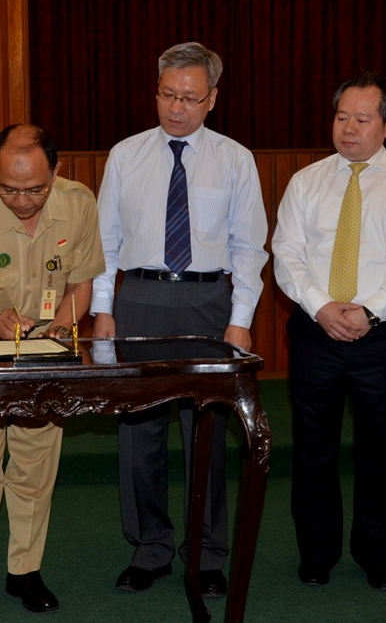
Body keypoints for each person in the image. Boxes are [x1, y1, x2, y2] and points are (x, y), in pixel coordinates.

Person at [90, 42, 268, 597]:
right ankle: (150, 547)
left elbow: (249, 247)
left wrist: (240, 319)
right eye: (168, 94)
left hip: (207, 303)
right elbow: (105, 243)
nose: (176, 107)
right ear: (157, 91)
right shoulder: (125, 155)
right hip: (139, 299)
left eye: (190, 97)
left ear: (212, 99)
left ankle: (208, 551)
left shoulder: (235, 159)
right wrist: (102, 309)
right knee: (139, 433)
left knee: (207, 433)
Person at [272, 72, 386, 591]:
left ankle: (379, 554)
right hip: (314, 331)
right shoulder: (307, 180)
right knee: (312, 447)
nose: (348, 128)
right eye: (341, 116)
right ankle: (317, 552)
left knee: (383, 450)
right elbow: (287, 254)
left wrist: (368, 311)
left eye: (362, 119)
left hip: (383, 335)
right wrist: (323, 308)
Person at [0, 124, 105, 621]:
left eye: (35, 188)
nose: (21, 200)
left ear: (55, 171)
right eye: (8, 189)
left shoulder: (78, 204)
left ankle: (24, 570)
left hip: (46, 350)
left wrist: (60, 327)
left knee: (35, 461)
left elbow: (82, 283)